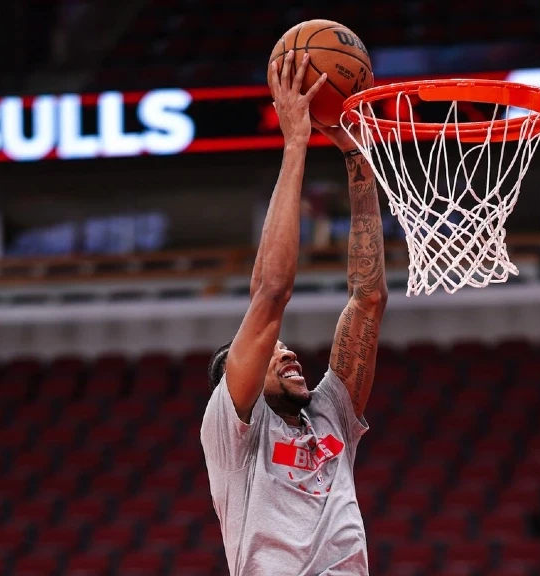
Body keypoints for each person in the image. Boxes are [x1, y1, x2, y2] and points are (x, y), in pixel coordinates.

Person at [201, 50, 389, 575]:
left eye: (283, 349)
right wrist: (296, 144)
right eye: (271, 353)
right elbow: (271, 294)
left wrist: (356, 156)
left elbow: (367, 299)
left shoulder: (329, 413)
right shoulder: (233, 432)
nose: (286, 353)